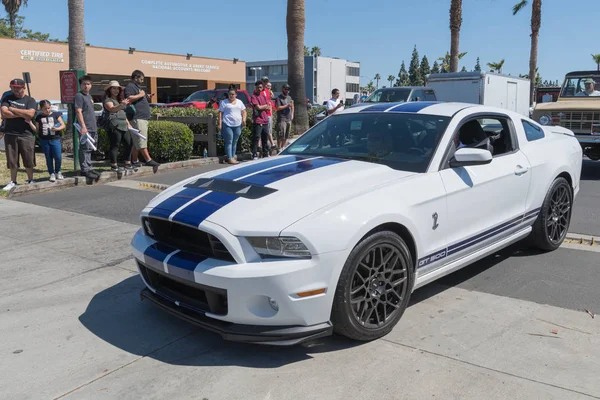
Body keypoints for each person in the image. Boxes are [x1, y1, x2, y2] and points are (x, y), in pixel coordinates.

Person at [1, 78, 38, 191]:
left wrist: (12, 109)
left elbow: (30, 114)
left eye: (18, 87)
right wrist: (22, 114)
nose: (16, 90)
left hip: (26, 134)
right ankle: (13, 181)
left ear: (23, 88)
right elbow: (4, 113)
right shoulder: (7, 98)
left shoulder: (30, 100)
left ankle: (31, 179)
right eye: (13, 87)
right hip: (10, 133)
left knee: (28, 158)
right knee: (12, 160)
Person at [124, 70, 159, 168]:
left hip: (142, 118)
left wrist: (145, 96)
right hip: (137, 118)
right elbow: (128, 98)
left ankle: (134, 160)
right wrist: (141, 95)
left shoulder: (137, 87)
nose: (142, 81)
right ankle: (148, 159)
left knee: (137, 142)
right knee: (141, 139)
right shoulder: (130, 86)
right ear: (136, 78)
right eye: (141, 79)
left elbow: (138, 98)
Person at [74, 75, 101, 179]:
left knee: (90, 149)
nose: (86, 86)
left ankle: (89, 168)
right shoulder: (79, 96)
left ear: (91, 85)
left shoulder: (89, 97)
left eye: (88, 84)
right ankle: (85, 170)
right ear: (80, 85)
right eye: (84, 84)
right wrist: (83, 127)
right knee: (85, 148)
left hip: (93, 126)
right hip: (86, 128)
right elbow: (78, 111)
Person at [103, 80, 134, 172]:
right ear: (110, 90)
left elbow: (123, 114)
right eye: (114, 88)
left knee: (129, 143)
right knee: (115, 145)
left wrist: (129, 124)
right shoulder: (108, 100)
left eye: (117, 89)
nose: (116, 90)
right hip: (114, 125)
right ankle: (114, 165)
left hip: (124, 124)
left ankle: (128, 163)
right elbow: (112, 109)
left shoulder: (120, 100)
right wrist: (121, 105)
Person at [32, 100, 66, 182]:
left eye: (49, 108)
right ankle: (52, 173)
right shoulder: (38, 117)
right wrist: (29, 122)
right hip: (44, 140)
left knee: (58, 156)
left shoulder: (55, 114)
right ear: (41, 109)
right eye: (45, 109)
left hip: (55, 139)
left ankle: (58, 171)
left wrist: (57, 129)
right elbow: (37, 130)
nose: (47, 110)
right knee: (48, 157)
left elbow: (63, 125)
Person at [218, 88, 246, 164]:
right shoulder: (224, 102)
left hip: (238, 124)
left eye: (233, 94)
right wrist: (220, 124)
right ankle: (229, 158)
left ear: (236, 95)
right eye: (230, 94)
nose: (231, 96)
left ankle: (233, 157)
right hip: (227, 124)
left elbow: (244, 111)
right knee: (229, 141)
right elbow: (220, 113)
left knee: (235, 141)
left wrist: (244, 120)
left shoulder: (239, 102)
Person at [250, 80, 271, 160]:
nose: (259, 89)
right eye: (258, 87)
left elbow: (268, 107)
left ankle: (265, 153)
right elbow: (257, 107)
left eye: (261, 87)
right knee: (256, 137)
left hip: (265, 120)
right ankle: (254, 153)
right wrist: (264, 106)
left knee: (264, 137)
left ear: (263, 88)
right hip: (258, 120)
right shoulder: (253, 96)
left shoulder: (264, 97)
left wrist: (263, 106)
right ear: (255, 87)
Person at [275, 84, 294, 150]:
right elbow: (278, 108)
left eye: (288, 89)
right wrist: (286, 105)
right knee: (281, 135)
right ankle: (279, 147)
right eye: (285, 89)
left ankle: (282, 147)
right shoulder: (278, 98)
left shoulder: (289, 97)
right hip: (282, 119)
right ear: (283, 89)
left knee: (286, 135)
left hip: (288, 118)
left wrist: (292, 114)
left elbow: (292, 106)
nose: (287, 91)